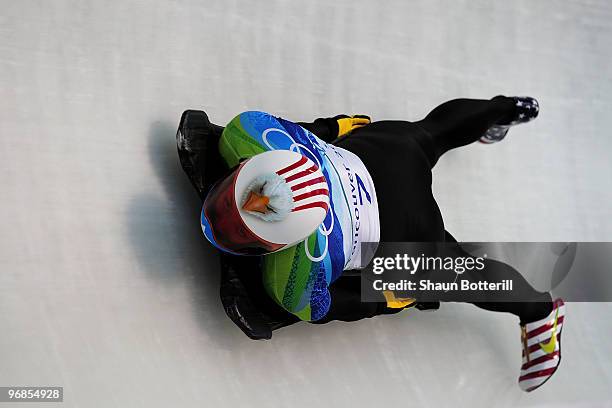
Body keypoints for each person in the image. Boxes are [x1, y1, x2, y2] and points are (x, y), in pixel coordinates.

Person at [176, 96, 565, 392]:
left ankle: (540, 308)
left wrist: (391, 297)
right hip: (386, 153)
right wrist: (338, 128)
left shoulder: (301, 269)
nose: (226, 221)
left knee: (459, 275)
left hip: (407, 233)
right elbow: (309, 131)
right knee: (428, 133)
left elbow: (338, 306)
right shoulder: (249, 131)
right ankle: (502, 108)